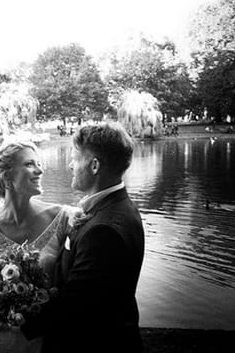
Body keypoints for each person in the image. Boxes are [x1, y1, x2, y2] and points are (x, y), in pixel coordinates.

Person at [21, 122, 145, 353]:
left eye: (75, 159)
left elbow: (74, 304)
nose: (69, 165)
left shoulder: (103, 230)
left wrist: (17, 321)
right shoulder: (120, 207)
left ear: (94, 165)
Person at [0, 140, 76, 353]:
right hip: (5, 334)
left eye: (40, 164)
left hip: (50, 335)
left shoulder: (63, 218)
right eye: (30, 164)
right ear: (7, 176)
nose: (40, 170)